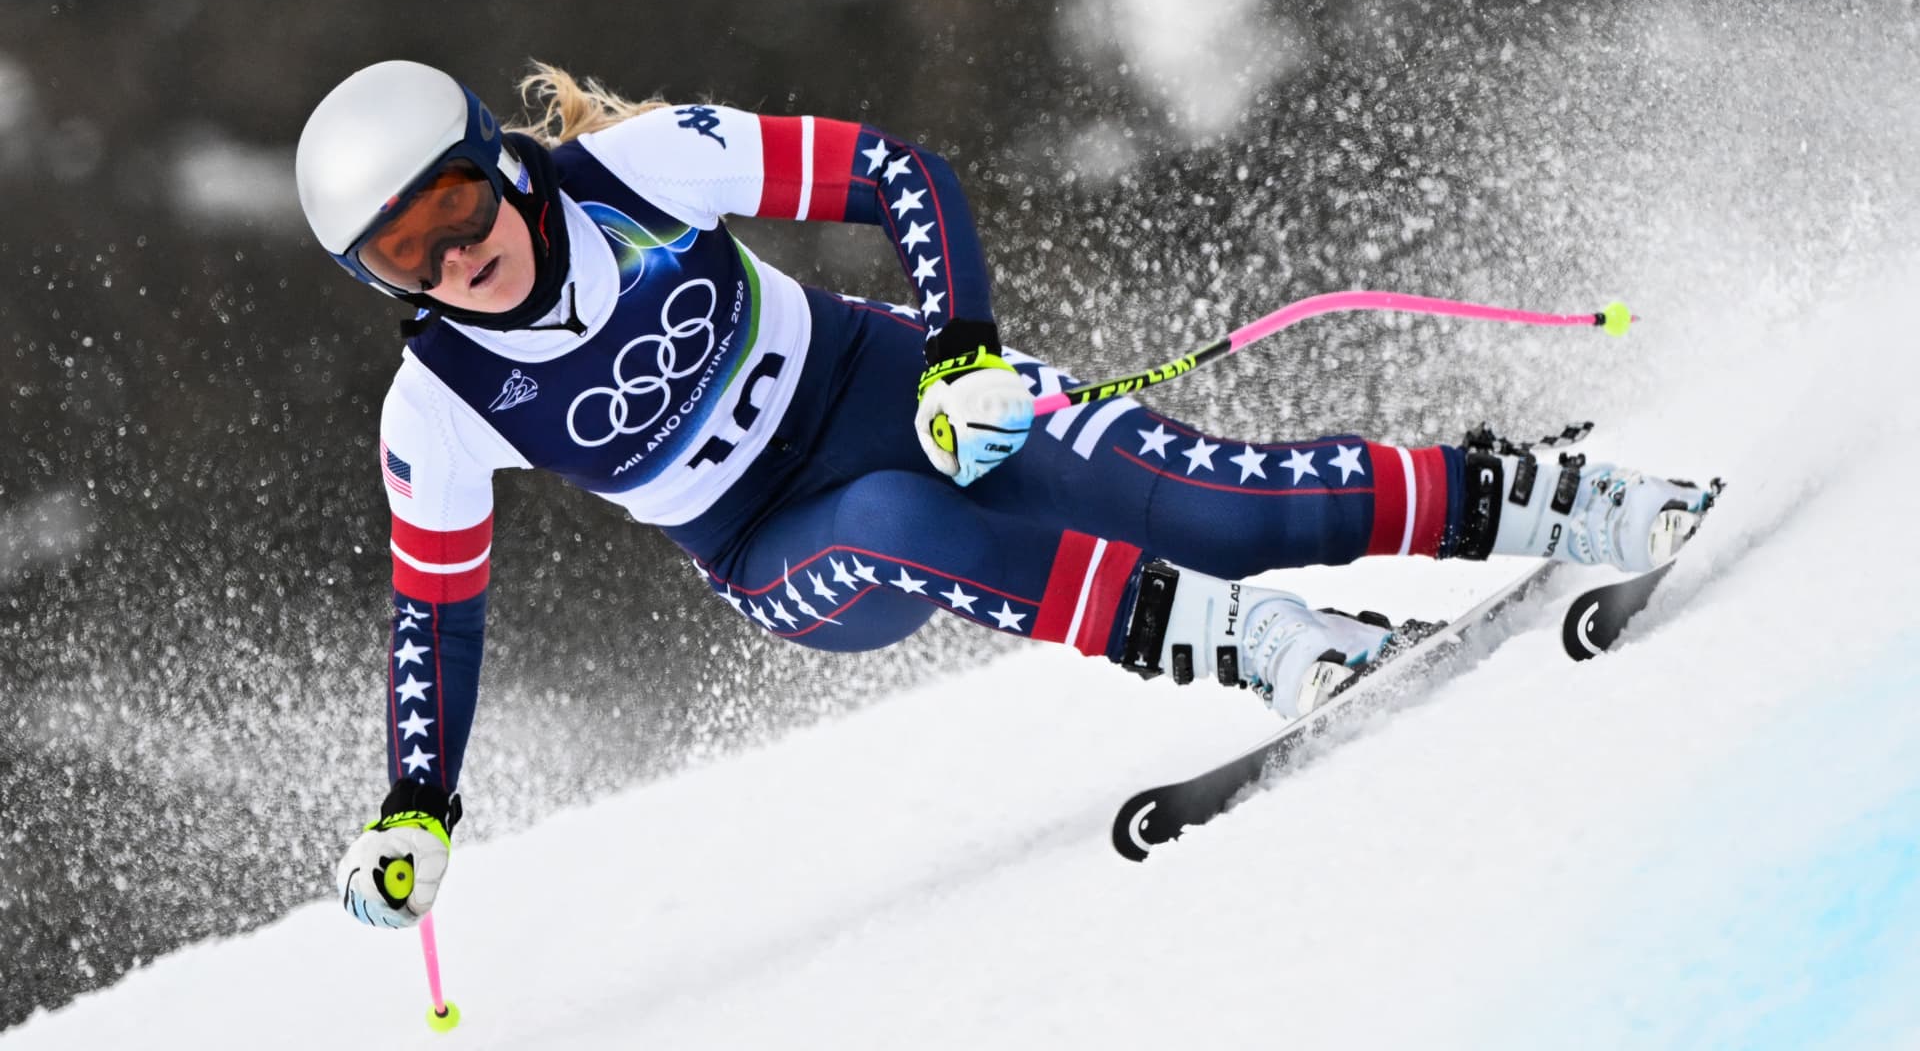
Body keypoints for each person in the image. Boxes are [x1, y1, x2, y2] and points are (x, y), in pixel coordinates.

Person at [296, 60, 1711, 929]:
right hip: (782, 550)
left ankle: (1556, 500)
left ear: (500, 165)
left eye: (455, 210)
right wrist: (418, 802)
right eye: (405, 257)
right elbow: (438, 616)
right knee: (892, 526)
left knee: (1217, 504)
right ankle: (1264, 645)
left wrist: (960, 351)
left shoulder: (632, 171)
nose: (454, 261)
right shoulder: (437, 406)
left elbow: (896, 173)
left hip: (893, 386)